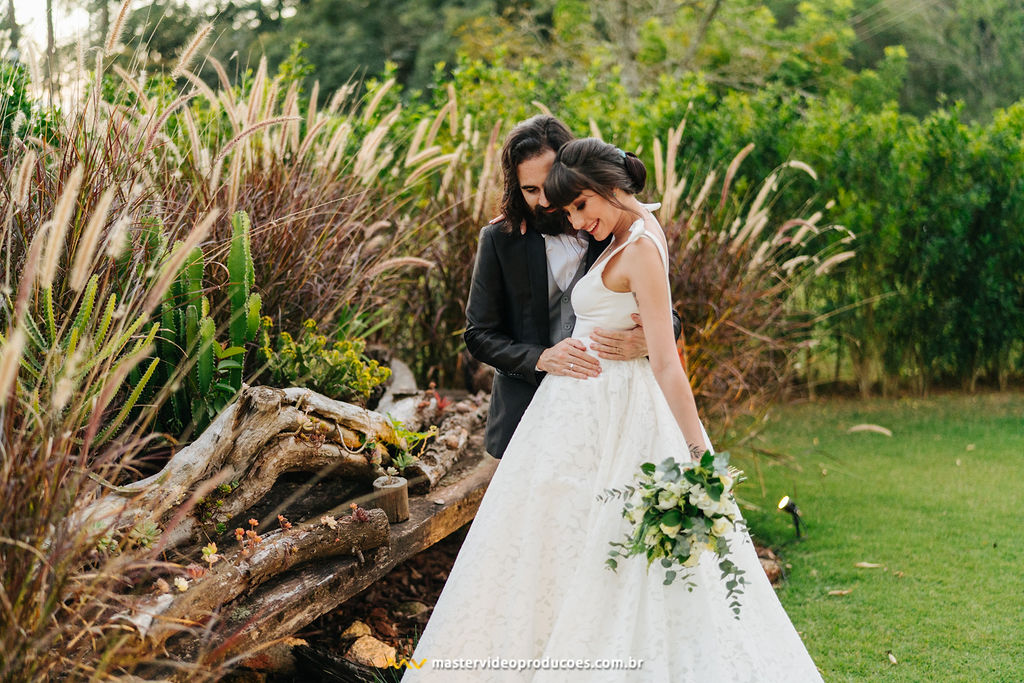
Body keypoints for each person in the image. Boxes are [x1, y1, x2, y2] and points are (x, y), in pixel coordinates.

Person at [405, 139, 823, 682]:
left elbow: (666, 348)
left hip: (619, 416)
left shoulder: (638, 241)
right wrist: (554, 356)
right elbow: (482, 332)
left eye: (579, 205)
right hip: (562, 418)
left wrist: (698, 452)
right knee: (550, 547)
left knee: (615, 551)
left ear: (601, 182)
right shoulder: (585, 232)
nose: (573, 220)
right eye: (559, 204)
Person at [464, 115, 681, 458]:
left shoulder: (612, 226)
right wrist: (541, 358)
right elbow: (479, 334)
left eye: (550, 184)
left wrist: (645, 341)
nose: (545, 201)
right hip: (522, 423)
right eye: (530, 190)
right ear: (515, 188)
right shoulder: (499, 240)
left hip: (607, 422)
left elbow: (665, 314)